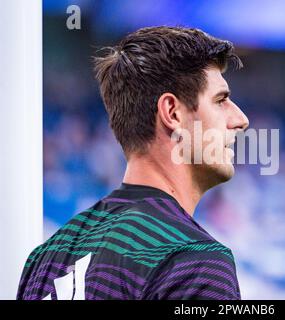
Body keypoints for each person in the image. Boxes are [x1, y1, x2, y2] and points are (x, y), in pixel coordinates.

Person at [17, 26, 249, 300]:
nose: (241, 120)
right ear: (172, 113)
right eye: (220, 100)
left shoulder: (45, 258)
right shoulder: (195, 262)